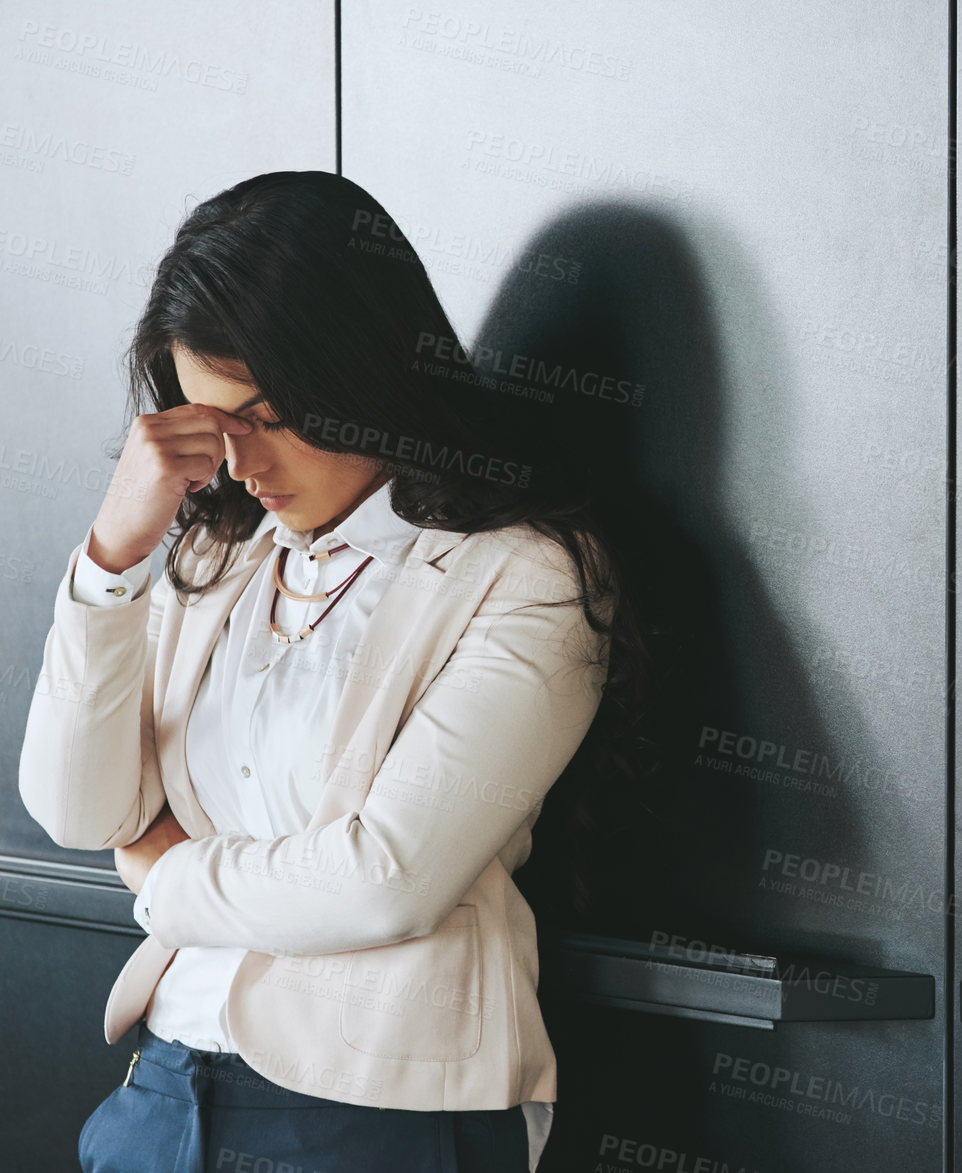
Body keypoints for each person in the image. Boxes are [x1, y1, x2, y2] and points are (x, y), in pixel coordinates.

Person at [16, 170, 655, 1172]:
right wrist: (111, 558)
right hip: (160, 1090)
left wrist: (166, 871)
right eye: (213, 427)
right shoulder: (214, 560)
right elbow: (75, 810)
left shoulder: (522, 575)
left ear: (361, 373)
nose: (241, 466)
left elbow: (382, 883)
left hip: (375, 1113)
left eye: (266, 415)